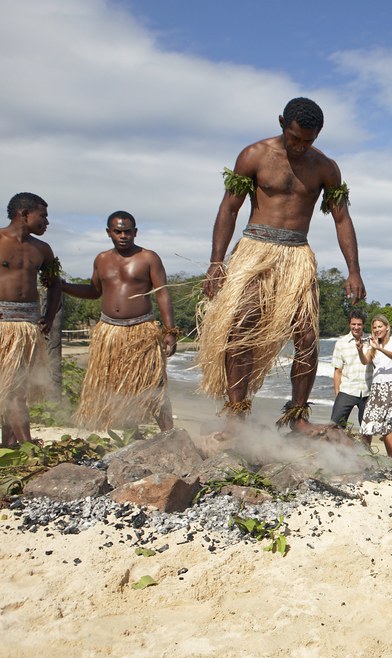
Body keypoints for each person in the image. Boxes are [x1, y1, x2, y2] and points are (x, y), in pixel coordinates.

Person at [197, 97, 364, 436]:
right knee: (241, 330)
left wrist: (354, 270)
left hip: (297, 256)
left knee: (306, 337)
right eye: (295, 138)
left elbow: (342, 219)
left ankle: (298, 418)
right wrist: (217, 261)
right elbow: (228, 209)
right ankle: (235, 413)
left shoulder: (325, 167)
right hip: (254, 250)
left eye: (309, 140)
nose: (300, 146)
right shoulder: (254, 155)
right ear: (281, 123)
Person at [60, 211, 176, 432]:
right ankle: (125, 433)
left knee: (154, 384)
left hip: (141, 330)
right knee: (111, 384)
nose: (123, 236)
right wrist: (63, 285)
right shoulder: (101, 259)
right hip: (109, 332)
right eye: (118, 231)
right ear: (108, 232)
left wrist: (170, 330)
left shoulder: (148, 258)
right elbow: (94, 291)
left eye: (128, 231)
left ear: (135, 232)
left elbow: (162, 294)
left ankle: (169, 432)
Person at [0, 192, 61, 446]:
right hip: (3, 324)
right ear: (25, 215)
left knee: (17, 387)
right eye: (43, 216)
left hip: (28, 327)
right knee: (12, 387)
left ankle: (9, 445)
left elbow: (54, 286)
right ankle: (26, 444)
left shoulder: (43, 249)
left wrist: (48, 316)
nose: (47, 222)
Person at [357, 314, 392, 461]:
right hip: (377, 387)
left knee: (385, 426)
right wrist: (360, 349)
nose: (377, 330)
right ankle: (365, 458)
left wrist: (379, 348)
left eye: (380, 326)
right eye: (375, 327)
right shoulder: (373, 345)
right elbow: (365, 361)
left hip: (391, 386)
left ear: (387, 327)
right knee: (367, 424)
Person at [330, 308, 372, 441]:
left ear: (363, 325)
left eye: (359, 324)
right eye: (354, 324)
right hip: (347, 390)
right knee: (335, 427)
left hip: (367, 392)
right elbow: (338, 371)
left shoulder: (371, 342)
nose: (356, 327)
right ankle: (335, 454)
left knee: (367, 429)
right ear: (349, 324)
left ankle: (367, 454)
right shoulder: (341, 343)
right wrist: (337, 393)